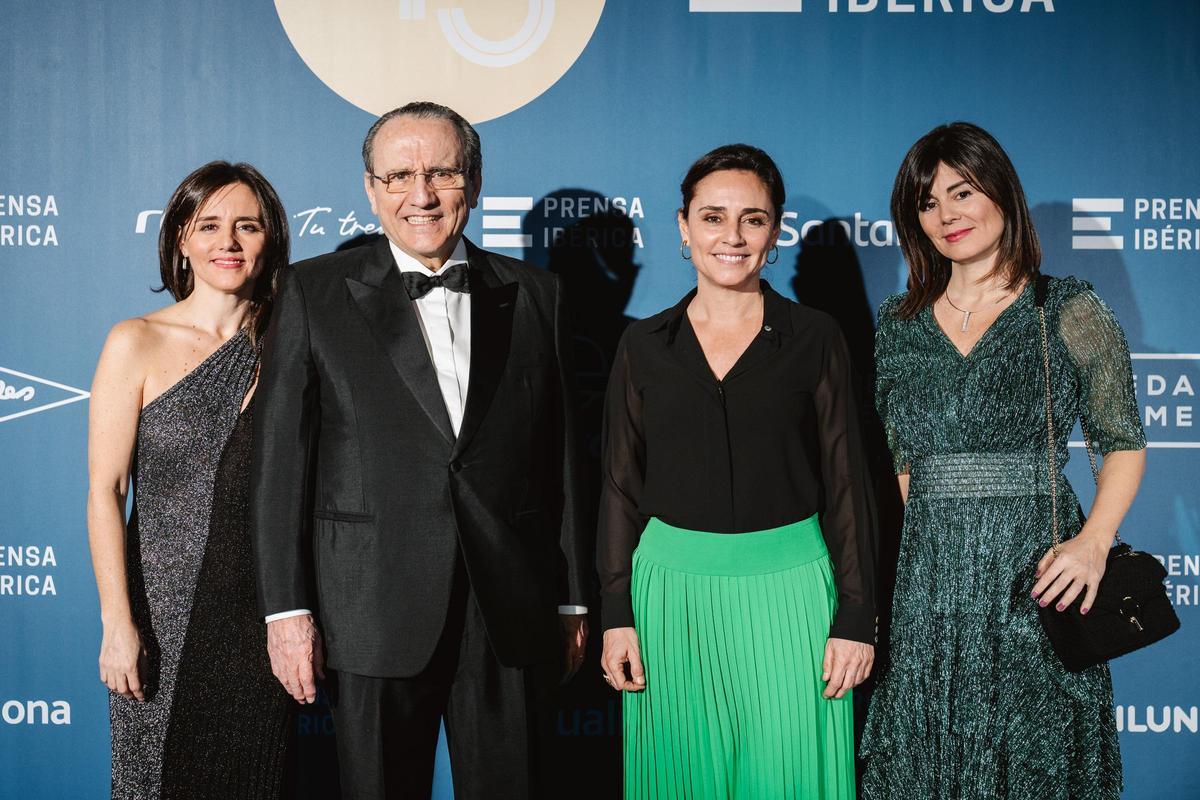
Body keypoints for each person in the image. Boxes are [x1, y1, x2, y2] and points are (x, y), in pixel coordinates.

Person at [250, 101, 589, 800]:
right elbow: (281, 466)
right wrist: (286, 611)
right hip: (369, 606)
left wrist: (574, 601)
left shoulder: (537, 294)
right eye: (399, 175)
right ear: (371, 189)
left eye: (442, 173)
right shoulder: (311, 292)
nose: (422, 195)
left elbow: (563, 462)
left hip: (509, 610)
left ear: (475, 181)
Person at [861, 122, 1146, 799]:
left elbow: (1121, 441)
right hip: (930, 593)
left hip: (1038, 575)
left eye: (962, 192)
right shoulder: (896, 324)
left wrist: (1094, 544)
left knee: (1035, 758)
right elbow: (905, 462)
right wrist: (936, 561)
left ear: (1001, 192)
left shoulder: (1069, 308)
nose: (947, 214)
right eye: (928, 202)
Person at [598, 144, 877, 799]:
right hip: (670, 599)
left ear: (774, 232)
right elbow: (617, 487)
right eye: (714, 216)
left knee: (790, 779)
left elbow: (847, 483)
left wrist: (855, 617)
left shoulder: (816, 337)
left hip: (796, 594)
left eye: (753, 219)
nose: (732, 235)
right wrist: (616, 613)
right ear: (683, 226)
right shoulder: (643, 345)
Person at [86, 161, 294, 799]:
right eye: (209, 225)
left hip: (263, 615)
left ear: (270, 239)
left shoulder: (292, 341)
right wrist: (118, 624)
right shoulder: (136, 341)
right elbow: (105, 491)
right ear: (180, 237)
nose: (227, 243)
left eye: (246, 226)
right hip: (161, 616)